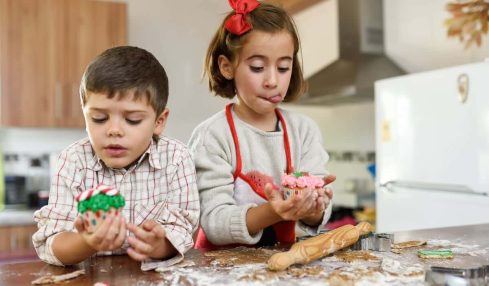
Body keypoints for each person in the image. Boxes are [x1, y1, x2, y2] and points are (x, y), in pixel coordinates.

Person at [32, 46, 200, 271]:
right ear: (85, 114)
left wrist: (158, 245)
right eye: (99, 118)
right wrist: (87, 242)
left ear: (159, 121)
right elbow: (52, 243)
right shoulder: (73, 161)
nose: (113, 130)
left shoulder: (177, 159)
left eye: (132, 120)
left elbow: (183, 229)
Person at [188, 0, 335, 249]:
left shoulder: (304, 131)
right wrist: (275, 211)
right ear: (227, 67)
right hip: (221, 271)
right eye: (257, 67)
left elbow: (318, 215)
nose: (272, 80)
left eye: (283, 67)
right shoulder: (213, 136)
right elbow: (214, 222)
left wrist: (314, 207)